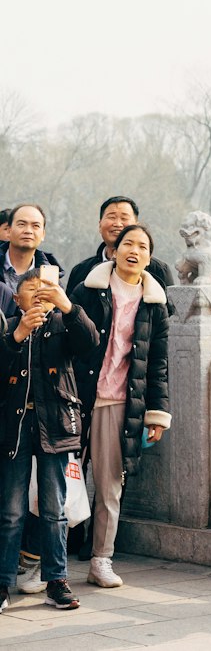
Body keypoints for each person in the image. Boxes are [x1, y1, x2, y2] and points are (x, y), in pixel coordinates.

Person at [71, 223, 170, 589]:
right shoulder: (89, 290)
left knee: (110, 484)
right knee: (52, 479)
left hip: (119, 403)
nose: (134, 250)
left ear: (148, 257)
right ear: (113, 250)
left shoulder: (155, 305)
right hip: (77, 396)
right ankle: (36, 561)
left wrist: (156, 414)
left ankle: (101, 559)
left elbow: (157, 365)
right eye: (128, 243)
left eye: (143, 246)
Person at [0, 269, 100, 613]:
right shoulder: (9, 325)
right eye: (32, 289)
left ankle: (56, 580)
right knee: (11, 510)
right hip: (14, 425)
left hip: (55, 424)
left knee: (54, 508)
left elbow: (90, 343)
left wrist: (68, 307)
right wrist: (17, 335)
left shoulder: (62, 323)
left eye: (46, 289)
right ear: (17, 298)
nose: (40, 294)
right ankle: (3, 582)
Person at [67, 195, 175, 313]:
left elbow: (171, 317)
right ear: (100, 225)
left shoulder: (159, 271)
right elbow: (69, 314)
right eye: (111, 217)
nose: (117, 224)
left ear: (136, 226)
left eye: (124, 218)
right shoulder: (81, 271)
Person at [1, 203, 62, 324]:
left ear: (43, 234)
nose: (28, 231)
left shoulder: (51, 278)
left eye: (35, 226)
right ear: (8, 230)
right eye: (21, 224)